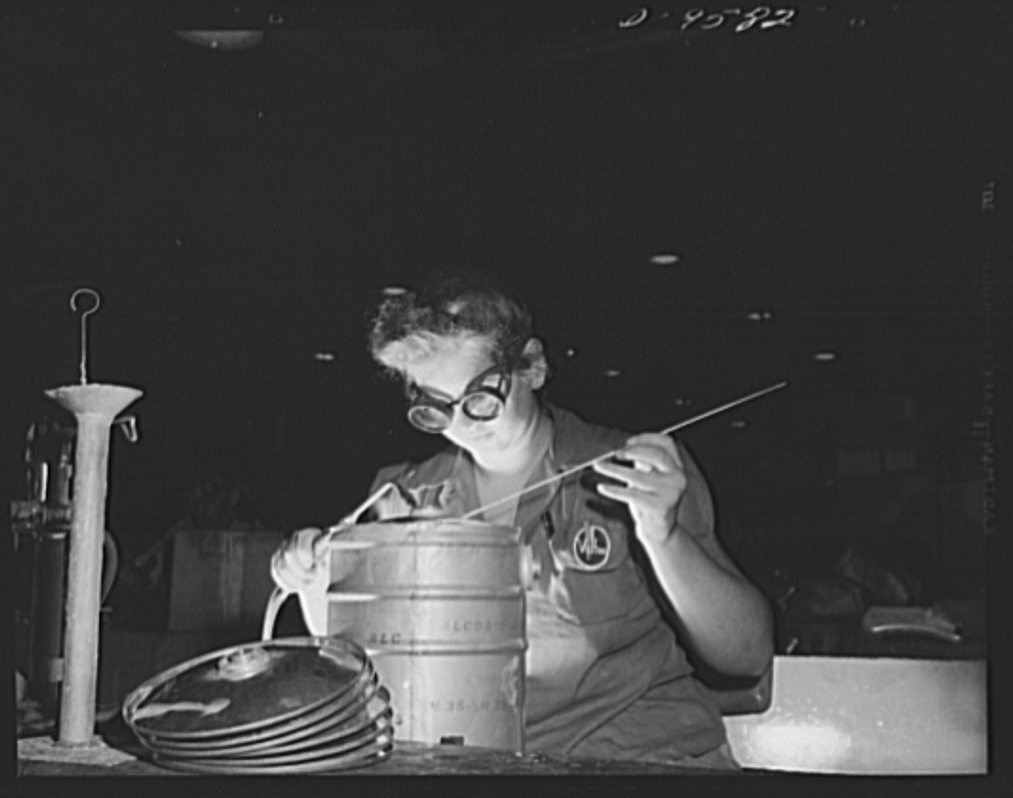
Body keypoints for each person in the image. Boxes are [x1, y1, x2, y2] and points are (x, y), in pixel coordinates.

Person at [271, 276, 773, 769]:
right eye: (435, 409)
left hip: (646, 756)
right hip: (487, 763)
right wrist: (316, 585)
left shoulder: (631, 475)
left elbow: (746, 656)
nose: (462, 427)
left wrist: (664, 536)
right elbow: (370, 666)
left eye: (480, 400)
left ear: (530, 367)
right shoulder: (402, 498)